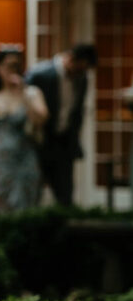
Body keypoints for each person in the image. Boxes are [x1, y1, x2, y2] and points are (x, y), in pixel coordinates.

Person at [0, 46, 48, 213]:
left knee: (24, 208)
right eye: (8, 65)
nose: (13, 70)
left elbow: (41, 121)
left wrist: (23, 94)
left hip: (23, 161)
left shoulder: (32, 93)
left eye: (17, 66)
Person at [25, 44, 98, 206]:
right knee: (32, 192)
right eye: (80, 68)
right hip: (39, 141)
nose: (81, 73)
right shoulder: (41, 74)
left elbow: (77, 111)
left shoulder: (81, 79)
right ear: (70, 58)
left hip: (64, 143)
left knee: (65, 194)